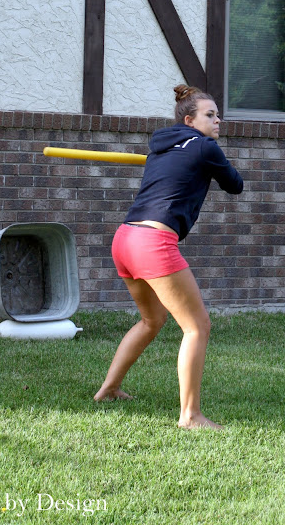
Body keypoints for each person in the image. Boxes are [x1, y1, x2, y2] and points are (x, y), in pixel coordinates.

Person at [94, 84, 243, 429]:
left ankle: (109, 389)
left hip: (125, 238)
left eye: (218, 115)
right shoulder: (205, 147)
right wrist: (213, 164)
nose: (218, 121)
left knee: (152, 320)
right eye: (210, 115)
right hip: (153, 242)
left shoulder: (161, 149)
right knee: (197, 326)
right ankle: (190, 416)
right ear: (189, 120)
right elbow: (235, 184)